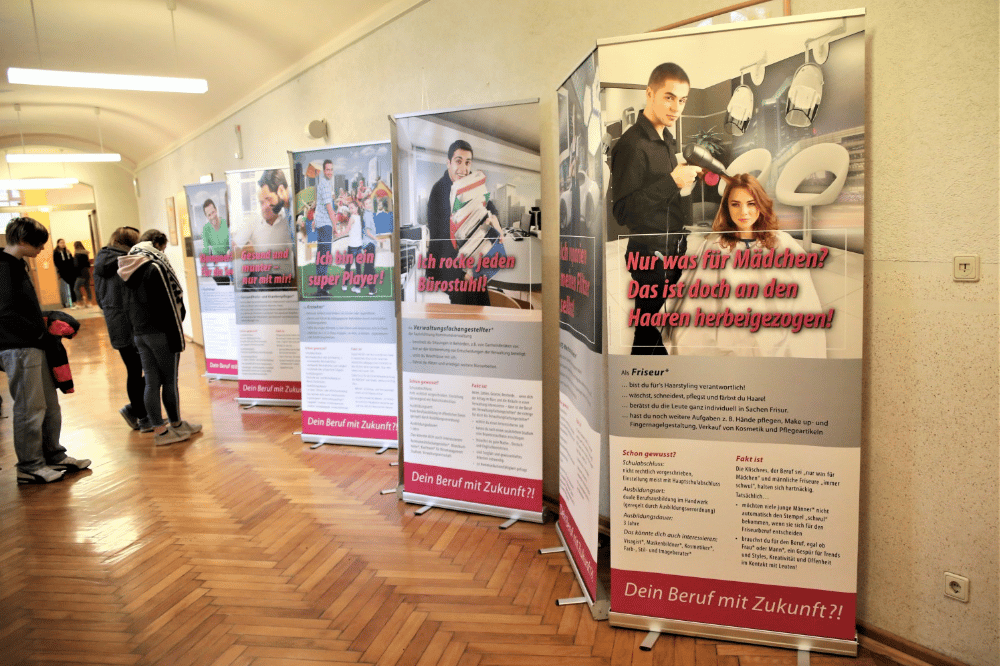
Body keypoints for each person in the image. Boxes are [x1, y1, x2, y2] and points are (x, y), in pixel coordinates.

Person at [667, 174, 827, 358]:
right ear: (727, 207)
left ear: (761, 204)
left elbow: (803, 303)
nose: (743, 212)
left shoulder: (783, 243)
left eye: (751, 204)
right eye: (735, 204)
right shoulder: (714, 245)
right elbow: (697, 304)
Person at [609, 62, 700, 354]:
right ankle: (646, 376)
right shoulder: (631, 145)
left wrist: (681, 181)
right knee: (647, 330)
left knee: (653, 326)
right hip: (650, 255)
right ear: (650, 93)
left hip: (673, 248)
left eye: (682, 100)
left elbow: (661, 191)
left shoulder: (667, 138)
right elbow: (622, 212)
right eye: (669, 97)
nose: (676, 108)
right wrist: (672, 181)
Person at [0, 217, 91, 483]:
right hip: (18, 347)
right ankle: (29, 465)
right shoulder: (3, 267)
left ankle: (54, 455)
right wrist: (38, 331)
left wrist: (45, 323)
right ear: (23, 240)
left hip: (33, 344)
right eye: (38, 244)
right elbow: (5, 313)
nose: (41, 249)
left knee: (49, 405)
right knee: (29, 408)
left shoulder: (17, 264)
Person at [118, 229, 201, 445]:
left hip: (140, 333)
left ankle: (161, 430)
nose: (163, 253)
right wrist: (177, 335)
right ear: (156, 245)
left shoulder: (126, 265)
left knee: (151, 382)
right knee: (169, 381)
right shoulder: (154, 266)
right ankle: (175, 423)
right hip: (161, 333)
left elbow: (125, 305)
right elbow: (169, 304)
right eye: (163, 248)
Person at [426, 139, 501, 306]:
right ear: (449, 163)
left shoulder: (473, 184)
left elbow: (492, 209)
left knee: (482, 308)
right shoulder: (438, 191)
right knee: (460, 314)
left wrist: (494, 220)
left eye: (468, 163)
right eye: (458, 161)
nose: (464, 169)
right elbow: (440, 239)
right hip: (450, 266)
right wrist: (462, 274)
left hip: (474, 260)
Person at [94, 226, 150, 431]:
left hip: (115, 324)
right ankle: (142, 416)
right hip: (133, 324)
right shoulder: (128, 261)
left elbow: (100, 299)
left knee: (134, 371)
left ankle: (136, 411)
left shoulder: (100, 262)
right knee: (147, 371)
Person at [231, 169, 296, 290]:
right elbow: (234, 248)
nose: (265, 206)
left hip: (282, 279)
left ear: (281, 191)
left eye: (268, 199)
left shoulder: (289, 215)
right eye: (261, 202)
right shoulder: (254, 221)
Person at [311, 159, 335, 296]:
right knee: (323, 256)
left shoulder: (324, 184)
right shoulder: (325, 185)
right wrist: (335, 225)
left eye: (331, 169)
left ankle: (323, 283)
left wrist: (315, 219)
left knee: (322, 255)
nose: (330, 172)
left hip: (322, 224)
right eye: (327, 170)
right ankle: (321, 290)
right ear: (324, 171)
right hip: (325, 225)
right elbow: (329, 208)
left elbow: (319, 206)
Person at [53, 238, 76, 308]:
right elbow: (57, 263)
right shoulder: (56, 252)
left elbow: (72, 260)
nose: (63, 244)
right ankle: (67, 302)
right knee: (65, 287)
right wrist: (60, 270)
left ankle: (74, 301)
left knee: (73, 286)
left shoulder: (67, 251)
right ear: (58, 244)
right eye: (61, 243)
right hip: (63, 272)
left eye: (63, 242)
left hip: (71, 272)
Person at [72, 241, 94, 307]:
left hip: (80, 274)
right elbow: (88, 264)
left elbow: (76, 265)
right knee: (87, 287)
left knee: (76, 288)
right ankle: (89, 302)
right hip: (87, 273)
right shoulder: (85, 253)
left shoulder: (77, 254)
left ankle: (80, 302)